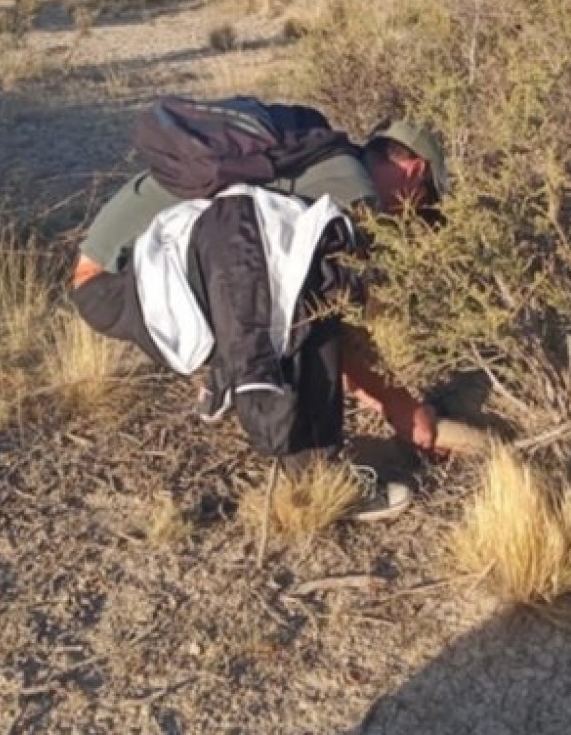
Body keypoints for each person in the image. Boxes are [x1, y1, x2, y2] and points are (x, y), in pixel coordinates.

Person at [69, 107, 451, 521]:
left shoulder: (314, 158)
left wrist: (378, 395)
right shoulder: (351, 191)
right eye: (423, 201)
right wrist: (398, 404)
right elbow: (327, 315)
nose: (407, 216)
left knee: (275, 271)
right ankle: (318, 483)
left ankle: (230, 374)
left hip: (119, 278)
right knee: (312, 300)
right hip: (116, 285)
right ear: (414, 171)